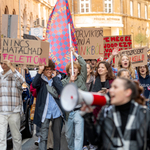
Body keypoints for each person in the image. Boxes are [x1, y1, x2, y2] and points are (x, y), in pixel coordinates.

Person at [83, 78, 150, 150]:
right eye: (111, 87)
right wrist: (88, 116)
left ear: (127, 92)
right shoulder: (106, 112)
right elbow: (95, 141)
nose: (110, 90)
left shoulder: (143, 113)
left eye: (115, 87)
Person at [32, 59, 64, 150]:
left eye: (51, 69)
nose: (49, 71)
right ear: (44, 70)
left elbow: (61, 90)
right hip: (44, 113)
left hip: (56, 112)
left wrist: (54, 78)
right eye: (47, 69)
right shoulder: (40, 80)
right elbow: (34, 85)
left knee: (57, 137)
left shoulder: (56, 79)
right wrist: (39, 71)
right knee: (43, 137)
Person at [61, 47, 87, 150]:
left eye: (75, 68)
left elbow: (84, 64)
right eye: (71, 68)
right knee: (68, 136)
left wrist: (75, 54)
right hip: (69, 113)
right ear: (68, 71)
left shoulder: (82, 79)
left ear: (78, 71)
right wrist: (70, 82)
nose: (73, 70)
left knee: (79, 136)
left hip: (79, 111)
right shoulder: (64, 82)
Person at [0, 60, 25, 150]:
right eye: (1, 63)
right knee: (1, 138)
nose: (3, 65)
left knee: (16, 137)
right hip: (2, 111)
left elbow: (22, 80)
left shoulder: (15, 74)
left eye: (5, 63)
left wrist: (11, 67)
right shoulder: (0, 75)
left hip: (14, 110)